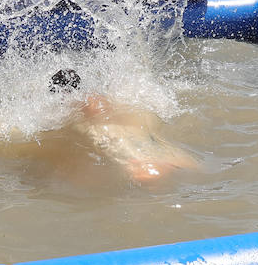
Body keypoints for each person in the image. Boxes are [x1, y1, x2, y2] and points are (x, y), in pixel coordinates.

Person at [48, 68, 199, 182]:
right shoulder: (102, 97)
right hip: (175, 156)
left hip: (143, 167)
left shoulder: (72, 110)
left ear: (62, 95)